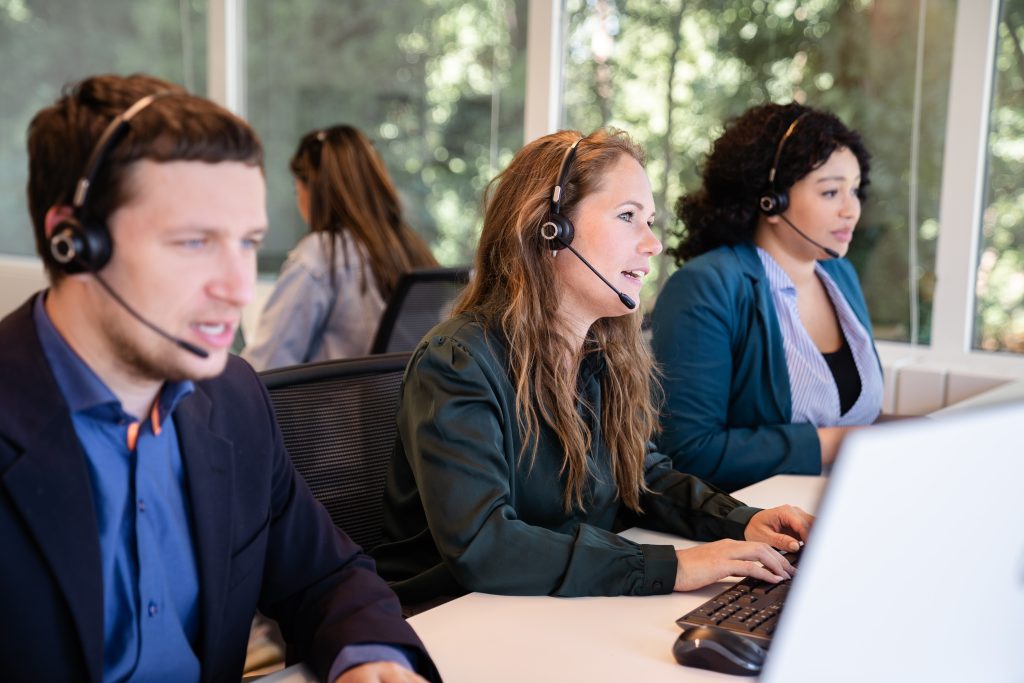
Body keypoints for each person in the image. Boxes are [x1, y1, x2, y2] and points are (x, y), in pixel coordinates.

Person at [0, 74, 438, 683]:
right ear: (73, 242)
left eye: (248, 243)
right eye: (194, 242)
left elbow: (326, 575)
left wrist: (371, 658)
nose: (236, 289)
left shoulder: (232, 399)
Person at [371, 128, 813, 609]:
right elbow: (486, 545)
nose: (653, 244)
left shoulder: (598, 355)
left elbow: (640, 476)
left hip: (550, 610)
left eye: (650, 220)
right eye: (628, 217)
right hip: (451, 619)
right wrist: (674, 566)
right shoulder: (457, 362)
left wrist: (739, 519)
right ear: (550, 227)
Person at [650, 103, 884, 492]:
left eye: (855, 191)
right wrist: (834, 443)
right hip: (752, 524)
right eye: (830, 192)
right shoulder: (705, 287)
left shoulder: (840, 275)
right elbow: (688, 452)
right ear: (770, 200)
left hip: (847, 502)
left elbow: (853, 415)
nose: (851, 210)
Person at [243, 125, 437, 370]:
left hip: (334, 408)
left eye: (297, 189)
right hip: (398, 407)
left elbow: (266, 364)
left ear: (312, 190)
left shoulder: (320, 255)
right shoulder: (411, 247)